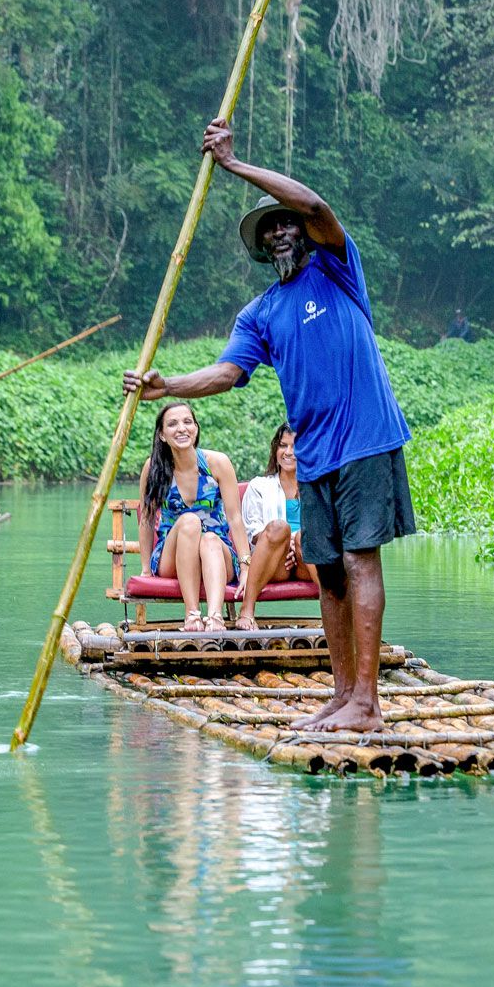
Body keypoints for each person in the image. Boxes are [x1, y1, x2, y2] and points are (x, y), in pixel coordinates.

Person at [123, 117, 414, 732]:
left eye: (287, 223)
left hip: (365, 437)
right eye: (271, 228)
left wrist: (232, 164)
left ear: (304, 234)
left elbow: (315, 203)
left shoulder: (336, 267)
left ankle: (368, 701)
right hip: (315, 453)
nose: (282, 230)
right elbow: (228, 373)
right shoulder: (260, 312)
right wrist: (166, 386)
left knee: (361, 561)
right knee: (329, 570)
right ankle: (341, 696)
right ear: (262, 246)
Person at [137, 402, 249, 633]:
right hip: (172, 555)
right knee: (189, 521)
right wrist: (146, 569)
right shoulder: (154, 468)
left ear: (196, 428)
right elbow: (147, 519)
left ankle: (215, 617)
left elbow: (235, 518)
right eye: (173, 424)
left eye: (188, 422)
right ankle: (192, 615)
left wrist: (246, 565)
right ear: (162, 435)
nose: (181, 428)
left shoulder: (217, 463)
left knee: (209, 539)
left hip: (217, 553)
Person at [237, 422, 317, 632]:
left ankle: (336, 612)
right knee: (279, 528)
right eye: (283, 446)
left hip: (307, 559)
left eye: (295, 446)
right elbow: (252, 531)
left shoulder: (318, 486)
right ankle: (246, 609)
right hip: (275, 561)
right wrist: (286, 541)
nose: (289, 452)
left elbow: (327, 527)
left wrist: (296, 542)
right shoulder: (259, 486)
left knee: (304, 537)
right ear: (275, 449)